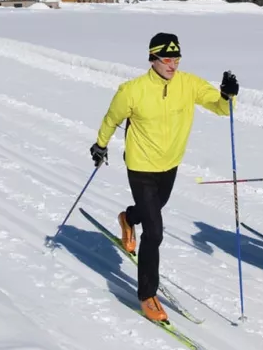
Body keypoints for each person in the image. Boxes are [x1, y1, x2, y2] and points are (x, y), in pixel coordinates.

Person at [92, 32, 238, 322]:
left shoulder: (189, 84)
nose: (173, 65)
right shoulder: (132, 90)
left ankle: (128, 218)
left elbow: (222, 110)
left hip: (170, 165)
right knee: (155, 232)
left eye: (177, 59)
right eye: (167, 59)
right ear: (153, 59)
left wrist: (227, 94)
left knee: (151, 212)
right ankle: (147, 295)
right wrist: (100, 144)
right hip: (141, 166)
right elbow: (112, 118)